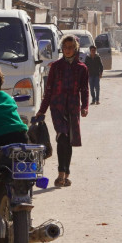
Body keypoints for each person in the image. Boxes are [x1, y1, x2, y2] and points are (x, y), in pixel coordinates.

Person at [35, 34, 88, 188]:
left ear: (76, 49)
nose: (68, 50)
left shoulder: (82, 68)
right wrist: (42, 110)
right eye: (65, 47)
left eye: (71, 47)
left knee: (69, 141)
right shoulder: (56, 66)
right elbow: (49, 90)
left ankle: (66, 173)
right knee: (62, 137)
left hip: (72, 107)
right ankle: (60, 173)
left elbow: (84, 89)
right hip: (57, 106)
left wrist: (85, 106)